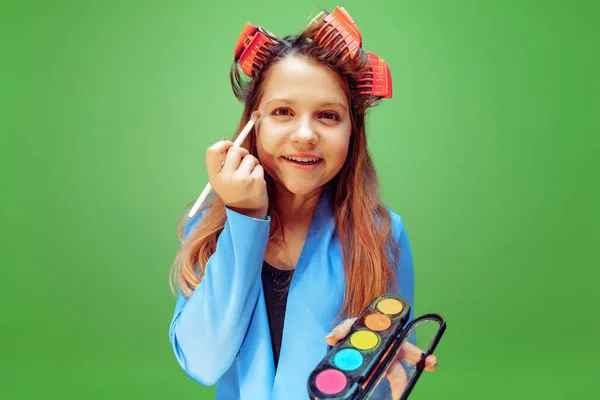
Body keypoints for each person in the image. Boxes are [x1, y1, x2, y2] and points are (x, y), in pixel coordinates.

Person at [169, 7, 438, 400]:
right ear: (253, 123)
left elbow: (386, 385)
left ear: (352, 132)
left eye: (329, 116)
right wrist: (244, 218)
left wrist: (372, 357)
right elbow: (203, 362)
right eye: (283, 112)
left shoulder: (383, 235)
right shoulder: (209, 232)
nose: (305, 134)